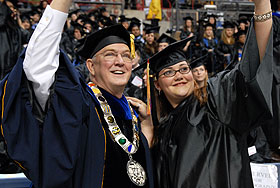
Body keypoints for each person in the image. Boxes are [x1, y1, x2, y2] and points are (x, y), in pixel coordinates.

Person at [0, 0, 154, 187]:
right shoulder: (80, 104)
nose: (120, 61)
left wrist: (147, 125)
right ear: (91, 66)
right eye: (110, 54)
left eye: (126, 56)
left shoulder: (132, 111)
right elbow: (37, 66)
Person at [146, 0, 273, 187]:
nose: (179, 76)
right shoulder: (163, 128)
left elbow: (253, 66)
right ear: (157, 84)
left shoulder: (214, 99)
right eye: (169, 72)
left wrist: (262, 6)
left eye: (183, 69)